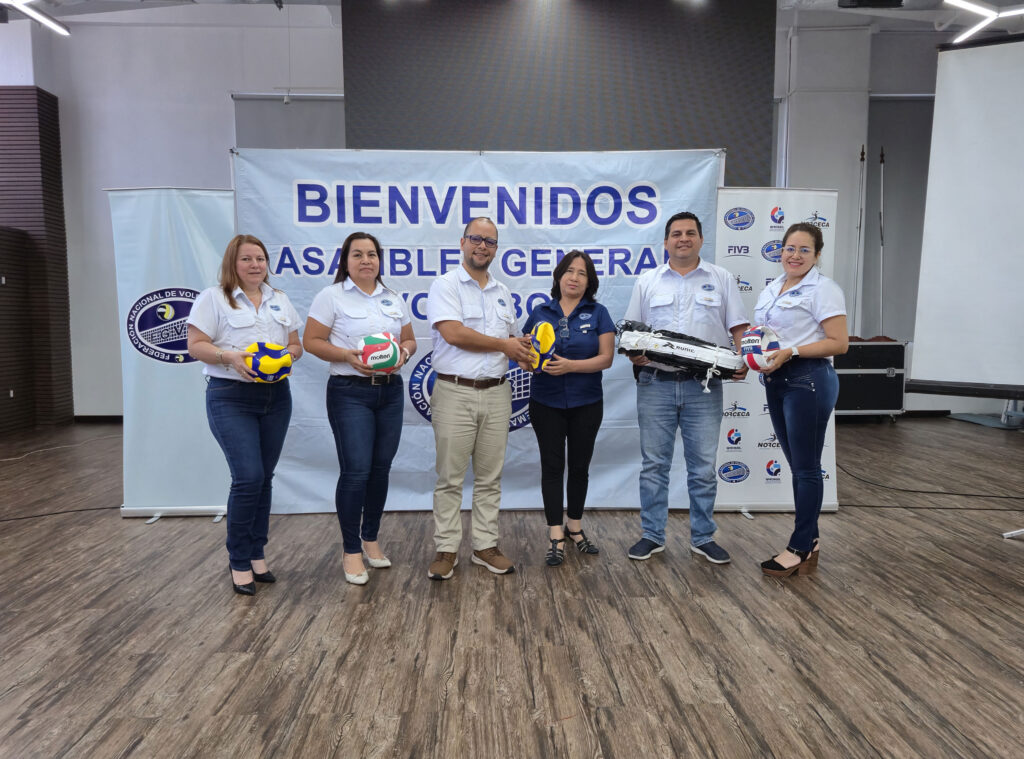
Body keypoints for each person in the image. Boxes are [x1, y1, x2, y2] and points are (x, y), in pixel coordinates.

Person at [624, 211, 749, 564]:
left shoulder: (721, 278)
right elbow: (632, 331)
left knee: (704, 468)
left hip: (703, 388)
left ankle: (703, 537)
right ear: (665, 242)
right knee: (654, 466)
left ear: (700, 239)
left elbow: (739, 327)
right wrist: (634, 352)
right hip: (655, 384)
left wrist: (744, 360)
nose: (683, 238)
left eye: (690, 233)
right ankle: (652, 535)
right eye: (676, 234)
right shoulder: (648, 281)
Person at [186, 234, 303, 596]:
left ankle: (256, 552)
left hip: (276, 396)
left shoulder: (279, 299)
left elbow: (296, 344)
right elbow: (195, 346)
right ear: (232, 264)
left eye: (260, 259)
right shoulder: (213, 298)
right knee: (248, 477)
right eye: (246, 259)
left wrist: (288, 356)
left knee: (264, 478)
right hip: (230, 397)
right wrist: (229, 357)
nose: (255, 265)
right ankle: (238, 559)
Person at [303, 232, 417, 586]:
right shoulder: (331, 296)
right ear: (346, 261)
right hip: (349, 392)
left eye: (371, 254)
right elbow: (311, 341)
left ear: (379, 260)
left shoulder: (393, 297)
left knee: (381, 469)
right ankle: (351, 550)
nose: (366, 260)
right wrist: (346, 356)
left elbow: (410, 339)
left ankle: (370, 538)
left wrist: (403, 354)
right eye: (358, 254)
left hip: (390, 391)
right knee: (356, 471)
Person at [425, 217, 534, 580]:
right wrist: (505, 345)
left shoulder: (503, 292)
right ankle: (446, 548)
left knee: (489, 478)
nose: (482, 246)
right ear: (462, 242)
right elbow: (454, 334)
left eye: (490, 241)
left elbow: (512, 341)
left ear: (496, 249)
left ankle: (485, 546)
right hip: (455, 392)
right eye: (476, 238)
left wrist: (526, 354)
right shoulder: (445, 285)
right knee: (450, 478)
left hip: (498, 392)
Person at [753, 222, 848, 577]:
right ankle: (812, 537)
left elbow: (839, 343)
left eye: (804, 250)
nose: (795, 255)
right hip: (777, 379)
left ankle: (799, 546)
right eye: (790, 248)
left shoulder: (824, 289)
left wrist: (792, 351)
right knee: (798, 466)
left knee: (806, 468)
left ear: (817, 255)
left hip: (808, 380)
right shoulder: (773, 288)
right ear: (781, 251)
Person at [522, 250, 615, 566]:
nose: (574, 278)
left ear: (589, 281)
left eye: (582, 273)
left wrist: (570, 366)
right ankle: (555, 534)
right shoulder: (540, 312)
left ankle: (575, 527)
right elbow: (524, 355)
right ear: (559, 276)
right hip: (545, 402)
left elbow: (606, 358)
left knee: (579, 467)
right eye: (569, 271)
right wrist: (529, 361)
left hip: (586, 402)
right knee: (551, 466)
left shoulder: (598, 312)